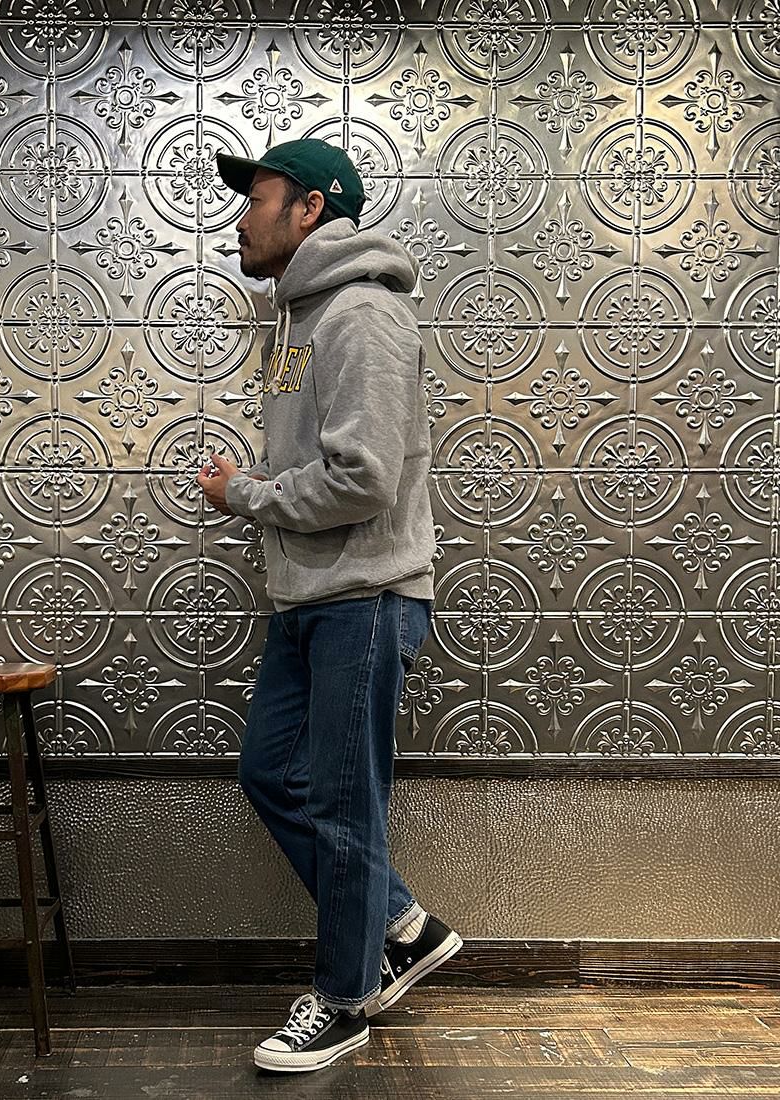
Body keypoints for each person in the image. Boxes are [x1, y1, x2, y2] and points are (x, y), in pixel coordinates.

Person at [195, 138, 463, 1074]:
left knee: (347, 807)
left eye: (257, 199)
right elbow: (321, 457)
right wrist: (261, 486)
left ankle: (345, 1000)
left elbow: (364, 477)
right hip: (309, 594)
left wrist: (247, 495)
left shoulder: (362, 315)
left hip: (365, 596)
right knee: (272, 772)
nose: (241, 218)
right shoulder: (298, 318)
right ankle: (404, 926)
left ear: (309, 208)